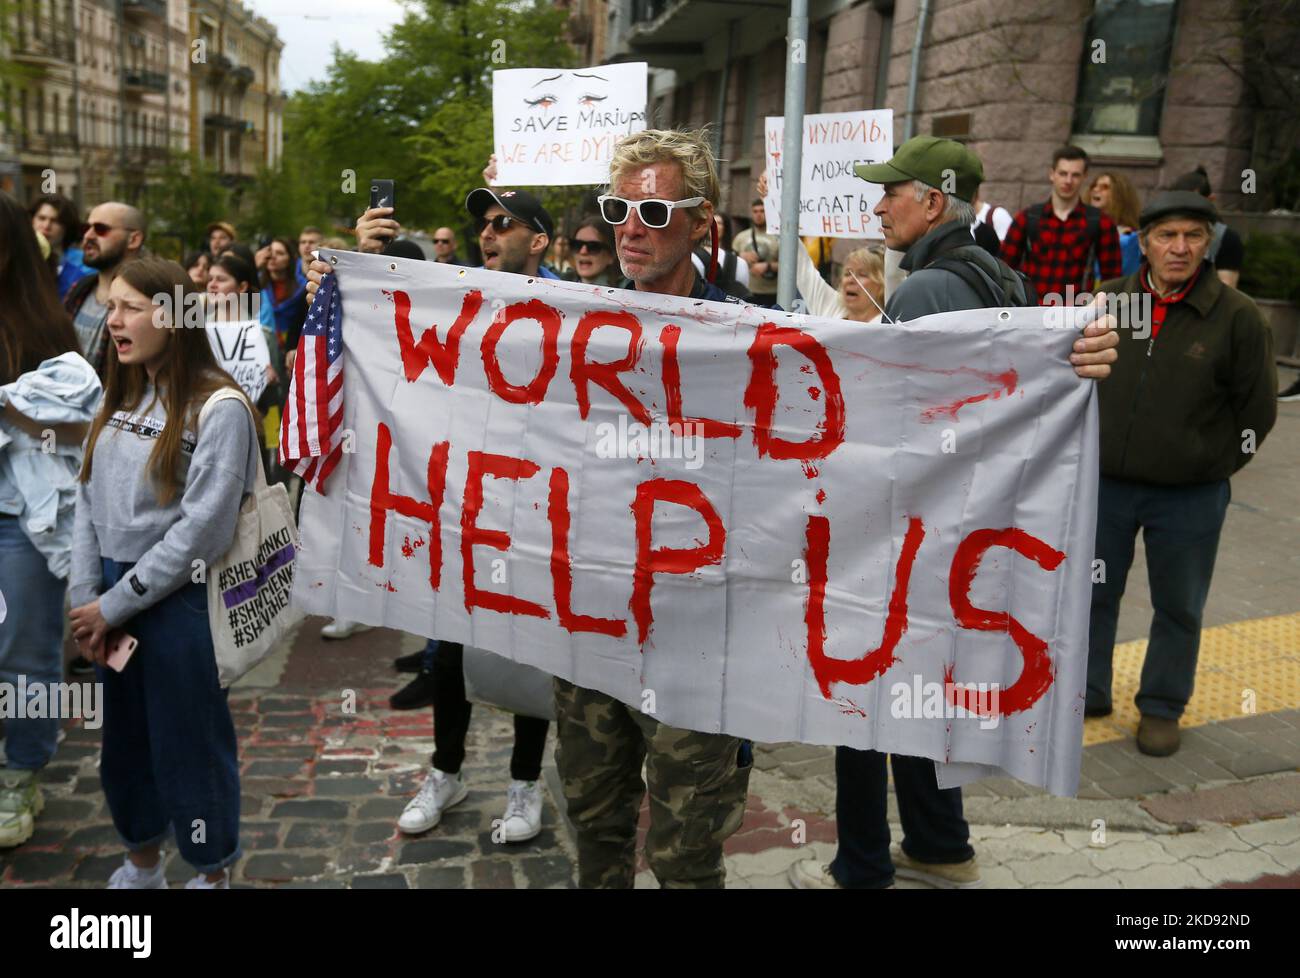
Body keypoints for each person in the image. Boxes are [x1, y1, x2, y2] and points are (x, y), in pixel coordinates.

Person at [787, 134, 1119, 891]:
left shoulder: (926, 289)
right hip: (963, 532)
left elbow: (893, 426)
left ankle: (861, 864)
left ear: (931, 201)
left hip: (907, 530)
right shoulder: (1000, 275)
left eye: (890, 193)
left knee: (863, 697)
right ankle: (941, 847)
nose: (876, 206)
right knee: (920, 686)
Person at [311, 186, 560, 843]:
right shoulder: (454, 294)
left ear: (538, 240)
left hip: (540, 510)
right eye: (483, 221)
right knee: (449, 652)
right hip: (465, 507)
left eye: (504, 223)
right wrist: (360, 260)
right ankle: (446, 771)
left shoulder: (577, 307)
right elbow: (378, 318)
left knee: (531, 652)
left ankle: (525, 785)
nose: (488, 231)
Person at [548, 127, 757, 888]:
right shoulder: (576, 327)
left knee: (685, 856)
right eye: (617, 210)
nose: (630, 229)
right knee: (596, 833)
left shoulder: (752, 338)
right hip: (591, 629)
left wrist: (1056, 364)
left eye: (655, 213)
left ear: (702, 222)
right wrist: (335, 294)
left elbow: (890, 391)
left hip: (697, 643)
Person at [69, 257, 261, 888]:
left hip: (181, 605)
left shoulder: (220, 406)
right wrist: (84, 597)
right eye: (111, 305)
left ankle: (211, 871)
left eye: (128, 307)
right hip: (109, 598)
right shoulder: (118, 391)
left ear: (172, 316)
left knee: (190, 746)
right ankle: (142, 861)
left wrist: (113, 605)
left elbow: (204, 530)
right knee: (124, 744)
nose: (112, 319)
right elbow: (86, 497)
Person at [1087, 190, 1276, 757]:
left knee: (1179, 604)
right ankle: (1089, 688)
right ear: (1143, 242)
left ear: (1208, 243)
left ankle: (1162, 706)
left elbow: (1257, 411)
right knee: (1092, 592)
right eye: (1166, 235)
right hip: (1106, 486)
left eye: (1193, 236)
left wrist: (1210, 462)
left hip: (1190, 496)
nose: (1180, 247)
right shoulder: (1108, 301)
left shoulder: (1238, 317)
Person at [0, 191, 99, 848]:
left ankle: (19, 773)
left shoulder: (42, 328)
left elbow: (76, 422)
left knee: (23, 651)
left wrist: (12, 407)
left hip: (18, 515)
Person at [1000, 145, 1122, 301]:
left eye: (1075, 175)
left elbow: (1112, 281)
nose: (1068, 181)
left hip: (1076, 316)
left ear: (1085, 177)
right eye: (1063, 173)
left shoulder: (1100, 223)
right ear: (1052, 174)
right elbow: (1004, 271)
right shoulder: (1027, 218)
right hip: (1031, 313)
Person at [64, 202, 146, 378]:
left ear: (134, 239)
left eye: (101, 229)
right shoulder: (79, 289)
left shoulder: (150, 298)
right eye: (86, 228)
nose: (88, 235)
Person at [1169, 166, 1244, 289]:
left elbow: (1226, 289)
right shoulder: (1161, 234)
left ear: (1210, 200)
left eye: (1192, 203)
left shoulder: (1226, 239)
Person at [29, 193, 91, 300]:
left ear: (67, 227)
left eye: (55, 221)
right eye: (41, 218)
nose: (46, 226)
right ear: (32, 220)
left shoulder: (83, 265)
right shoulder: (19, 257)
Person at [1087, 171, 1142, 276]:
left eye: (1105, 187)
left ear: (1119, 195)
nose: (1095, 190)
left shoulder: (1129, 239)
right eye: (1094, 186)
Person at [733, 197, 780, 306]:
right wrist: (739, 255)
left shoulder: (778, 237)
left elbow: (789, 267)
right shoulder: (741, 237)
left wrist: (768, 266)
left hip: (772, 292)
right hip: (747, 291)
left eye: (762, 211)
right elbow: (728, 259)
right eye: (755, 211)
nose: (758, 215)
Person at [691, 212, 750, 297]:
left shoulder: (738, 261)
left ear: (725, 228)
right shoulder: (694, 254)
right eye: (712, 223)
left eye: (720, 223)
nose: (715, 226)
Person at [566, 215, 621, 286]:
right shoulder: (558, 283)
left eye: (593, 246)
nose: (583, 252)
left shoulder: (626, 291)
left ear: (611, 255)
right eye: (577, 245)